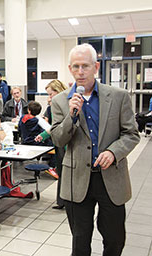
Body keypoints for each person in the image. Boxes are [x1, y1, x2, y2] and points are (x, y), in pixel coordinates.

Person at [50, 43, 140, 256]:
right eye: (75, 67)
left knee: (115, 239)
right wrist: (71, 116)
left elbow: (131, 134)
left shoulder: (118, 96)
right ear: (70, 68)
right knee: (80, 241)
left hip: (111, 177)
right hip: (76, 179)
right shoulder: (61, 101)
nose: (80, 72)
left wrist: (113, 152)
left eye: (85, 66)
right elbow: (58, 139)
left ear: (96, 66)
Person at [35, 79, 67, 207]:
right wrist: (42, 135)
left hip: (65, 144)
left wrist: (43, 135)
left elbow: (59, 126)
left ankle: (65, 201)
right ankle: (61, 202)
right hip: (59, 143)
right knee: (61, 172)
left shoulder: (65, 105)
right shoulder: (55, 106)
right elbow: (54, 126)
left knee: (65, 174)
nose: (49, 97)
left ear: (58, 91)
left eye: (50, 94)